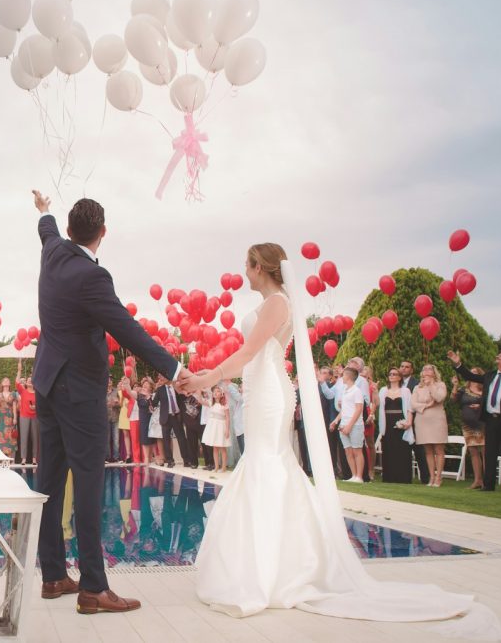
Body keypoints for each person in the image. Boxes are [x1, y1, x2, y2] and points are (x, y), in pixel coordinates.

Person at [178, 243, 480, 627]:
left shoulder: (276, 304)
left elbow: (249, 352)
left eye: (247, 266)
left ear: (259, 266)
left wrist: (206, 376)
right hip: (261, 388)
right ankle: (280, 561)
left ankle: (275, 570)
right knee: (268, 462)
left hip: (269, 391)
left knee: (267, 462)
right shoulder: (276, 302)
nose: (245, 272)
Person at [30, 190, 189, 615]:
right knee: (87, 484)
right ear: (103, 232)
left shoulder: (52, 253)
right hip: (79, 394)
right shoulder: (92, 276)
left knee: (47, 484)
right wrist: (174, 371)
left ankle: (52, 575)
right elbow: (128, 330)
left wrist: (43, 209)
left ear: (67, 229)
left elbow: (44, 229)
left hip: (45, 384)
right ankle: (93, 588)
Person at [449, 349, 501, 493]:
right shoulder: (490, 375)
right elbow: (470, 376)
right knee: (490, 453)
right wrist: (458, 364)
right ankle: (488, 485)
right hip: (491, 420)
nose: (498, 356)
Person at [408, 364, 448, 487]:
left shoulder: (440, 385)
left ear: (434, 372)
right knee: (428, 451)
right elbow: (413, 404)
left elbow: (439, 398)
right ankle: (431, 477)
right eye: (424, 369)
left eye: (429, 369)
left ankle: (438, 477)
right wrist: (426, 405)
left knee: (439, 449)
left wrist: (430, 385)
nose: (426, 370)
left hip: (437, 420)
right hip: (422, 420)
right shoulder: (417, 387)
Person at [377, 368, 413, 484]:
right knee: (389, 449)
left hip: (401, 421)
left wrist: (408, 422)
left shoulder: (405, 391)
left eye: (394, 374)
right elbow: (377, 405)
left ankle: (403, 477)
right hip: (387, 422)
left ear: (399, 377)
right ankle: (389, 477)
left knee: (402, 449)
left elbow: (409, 408)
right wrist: (373, 390)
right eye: (390, 374)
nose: (392, 376)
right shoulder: (383, 390)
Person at [329, 367, 365, 483]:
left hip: (355, 425)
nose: (341, 377)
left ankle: (359, 476)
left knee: (357, 451)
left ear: (348, 376)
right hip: (343, 424)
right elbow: (344, 410)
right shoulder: (345, 390)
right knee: (348, 451)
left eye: (343, 375)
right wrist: (335, 421)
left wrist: (350, 425)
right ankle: (353, 475)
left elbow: (359, 409)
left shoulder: (356, 390)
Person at [452, 368, 486, 489]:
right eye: (470, 372)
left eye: (475, 373)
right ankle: (477, 480)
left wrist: (480, 406)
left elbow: (491, 403)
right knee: (473, 452)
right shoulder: (464, 389)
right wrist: (455, 386)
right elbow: (453, 400)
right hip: (467, 425)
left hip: (482, 423)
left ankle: (487, 481)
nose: (472, 374)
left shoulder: (485, 389)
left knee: (484, 452)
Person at [152, 373, 193, 467]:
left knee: (181, 439)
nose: (160, 378)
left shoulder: (176, 387)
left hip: (177, 416)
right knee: (166, 440)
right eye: (159, 376)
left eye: (162, 376)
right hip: (165, 417)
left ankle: (186, 460)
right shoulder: (160, 389)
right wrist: (149, 398)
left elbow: (183, 398)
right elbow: (154, 403)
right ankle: (170, 460)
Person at [399, 360, 429, 483]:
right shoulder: (395, 383)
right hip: (399, 420)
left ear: (411, 370)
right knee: (401, 450)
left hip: (415, 421)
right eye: (402, 366)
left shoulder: (417, 384)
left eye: (407, 367)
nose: (404, 369)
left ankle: (426, 478)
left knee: (419, 450)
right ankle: (402, 476)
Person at [199, 387, 230, 472]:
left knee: (222, 447)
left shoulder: (224, 405)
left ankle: (223, 467)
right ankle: (216, 467)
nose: (216, 393)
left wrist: (227, 430)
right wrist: (197, 392)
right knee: (215, 447)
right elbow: (201, 401)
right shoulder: (210, 403)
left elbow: (227, 418)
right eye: (214, 392)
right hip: (213, 427)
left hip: (221, 426)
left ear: (221, 394)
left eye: (218, 391)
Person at [16, 364, 38, 464]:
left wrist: (35, 407)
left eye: (31, 379)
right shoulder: (23, 391)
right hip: (24, 416)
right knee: (23, 437)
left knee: (35, 438)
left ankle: (34, 458)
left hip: (35, 417)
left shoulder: (38, 393)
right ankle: (23, 458)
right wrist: (19, 370)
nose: (29, 380)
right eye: (28, 380)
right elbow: (16, 382)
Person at [0, 377, 18, 459]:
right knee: (0, 436)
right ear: (1, 384)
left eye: (7, 380)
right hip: (0, 417)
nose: (5, 381)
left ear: (9, 383)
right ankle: (1, 459)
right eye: (4, 380)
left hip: (9, 416)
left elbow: (15, 406)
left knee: (10, 437)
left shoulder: (13, 394)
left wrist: (15, 418)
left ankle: (11, 459)